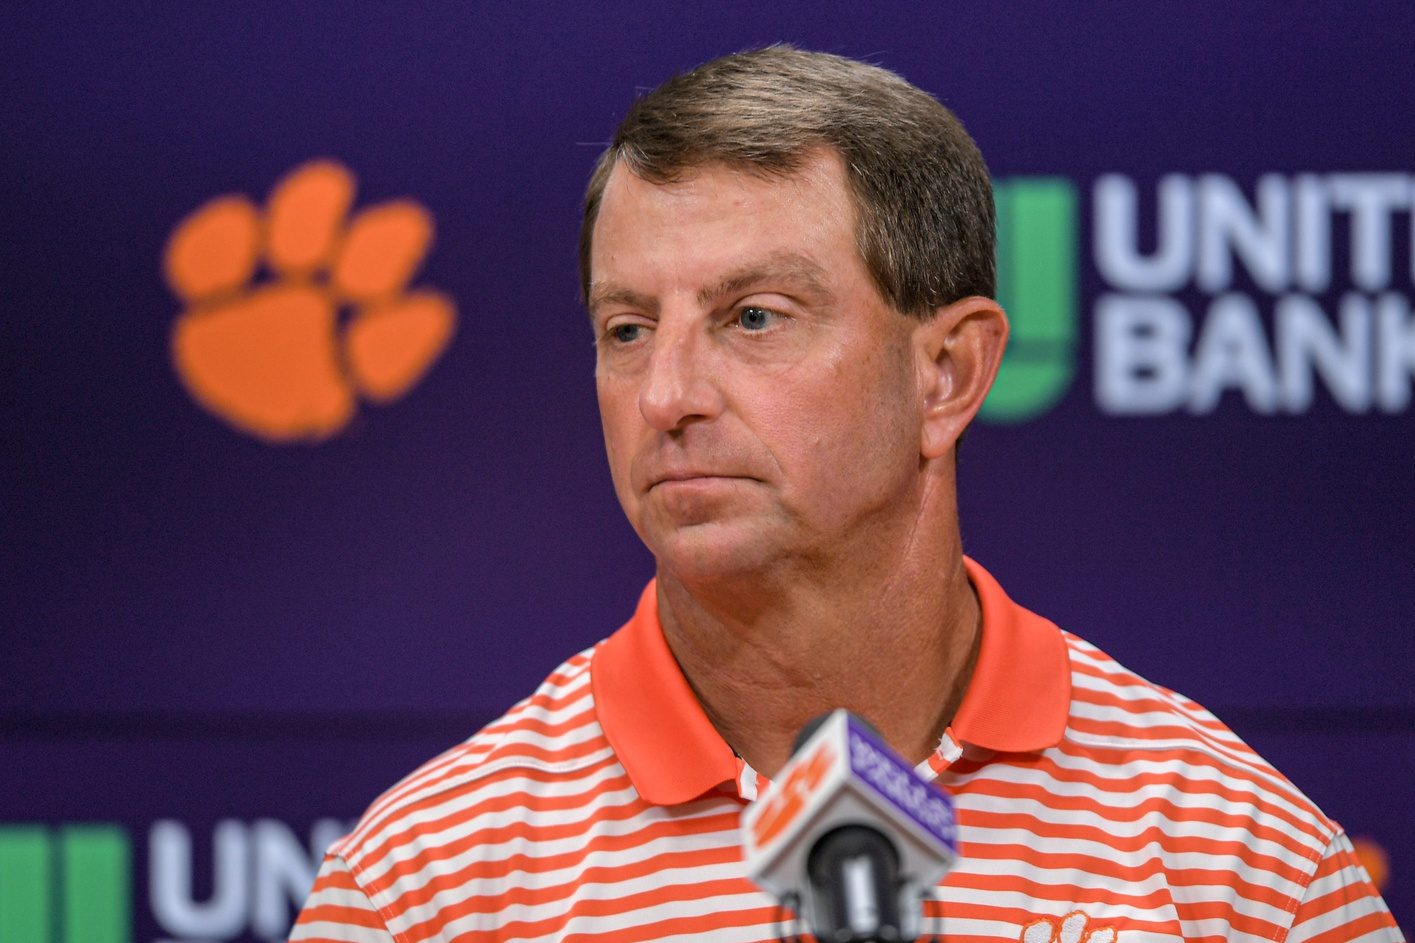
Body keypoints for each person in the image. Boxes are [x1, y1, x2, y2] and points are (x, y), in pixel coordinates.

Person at [292, 46, 1400, 943]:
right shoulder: (423, 889)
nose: (665, 394)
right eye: (626, 330)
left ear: (947, 374)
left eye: (753, 317)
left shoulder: (1237, 865)